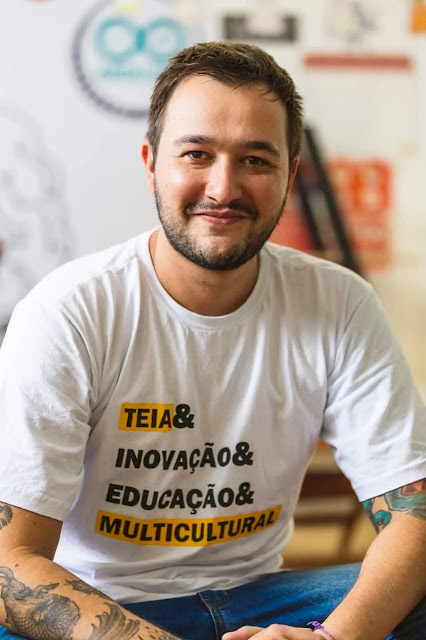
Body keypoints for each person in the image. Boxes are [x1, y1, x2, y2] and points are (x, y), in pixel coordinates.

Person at [0, 41, 424, 640]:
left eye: (255, 159)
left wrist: (331, 638)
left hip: (263, 600)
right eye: (197, 154)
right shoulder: (69, 310)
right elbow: (9, 563)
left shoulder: (340, 302)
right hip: (104, 607)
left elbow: (415, 514)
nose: (223, 188)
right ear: (151, 162)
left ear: (289, 174)